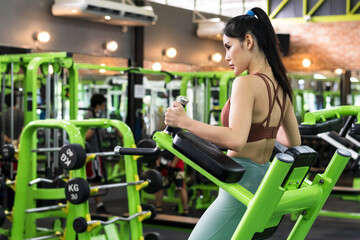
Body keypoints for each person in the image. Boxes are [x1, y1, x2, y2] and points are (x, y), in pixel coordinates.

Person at [164, 7, 301, 240]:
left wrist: (185, 121)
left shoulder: (245, 83)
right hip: (264, 180)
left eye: (228, 46)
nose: (226, 56)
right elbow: (292, 141)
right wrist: (262, 131)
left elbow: (236, 138)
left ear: (248, 41)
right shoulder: (281, 84)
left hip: (240, 181)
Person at [84, 93, 108, 214]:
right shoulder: (90, 116)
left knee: (95, 179)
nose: (104, 108)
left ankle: (98, 204)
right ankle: (99, 204)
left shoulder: (93, 115)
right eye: (103, 105)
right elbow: (87, 135)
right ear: (98, 105)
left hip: (96, 151)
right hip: (92, 153)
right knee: (94, 179)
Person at [154, 150, 189, 216]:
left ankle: (185, 210)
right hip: (163, 163)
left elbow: (179, 151)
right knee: (159, 186)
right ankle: (158, 208)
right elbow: (158, 150)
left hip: (177, 164)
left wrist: (172, 166)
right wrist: (158, 164)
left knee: (180, 187)